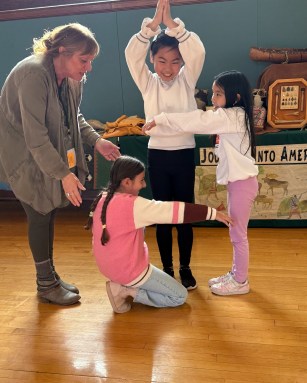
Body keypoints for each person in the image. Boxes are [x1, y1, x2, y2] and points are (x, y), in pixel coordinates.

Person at [0, 23, 120, 306]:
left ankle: (50, 277)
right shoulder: (33, 74)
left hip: (45, 152)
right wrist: (64, 174)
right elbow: (36, 136)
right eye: (84, 60)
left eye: (90, 61)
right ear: (62, 52)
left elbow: (73, 116)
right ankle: (45, 285)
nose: (88, 68)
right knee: (40, 212)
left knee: (49, 209)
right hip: (23, 154)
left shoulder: (69, 77)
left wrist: (97, 141)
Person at [143, 70, 259, 296]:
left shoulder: (232, 116)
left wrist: (161, 118)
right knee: (235, 233)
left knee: (238, 235)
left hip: (243, 184)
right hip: (239, 183)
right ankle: (236, 273)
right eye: (213, 93)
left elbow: (197, 120)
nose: (213, 99)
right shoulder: (233, 115)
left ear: (235, 98)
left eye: (218, 94)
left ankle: (240, 280)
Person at [85, 155, 232, 314]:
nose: (144, 184)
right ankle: (125, 291)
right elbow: (172, 211)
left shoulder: (102, 197)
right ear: (126, 182)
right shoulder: (132, 205)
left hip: (107, 268)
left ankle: (122, 284)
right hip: (129, 271)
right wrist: (213, 213)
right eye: (141, 180)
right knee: (179, 296)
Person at [125, 0, 205, 290]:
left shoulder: (187, 80)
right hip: (158, 156)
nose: (169, 68)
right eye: (162, 61)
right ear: (152, 61)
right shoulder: (148, 83)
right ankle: (167, 268)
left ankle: (185, 267)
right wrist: (150, 28)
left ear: (182, 63)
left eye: (175, 61)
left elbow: (197, 50)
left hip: (183, 154)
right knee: (162, 216)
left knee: (184, 215)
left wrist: (172, 25)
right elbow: (131, 55)